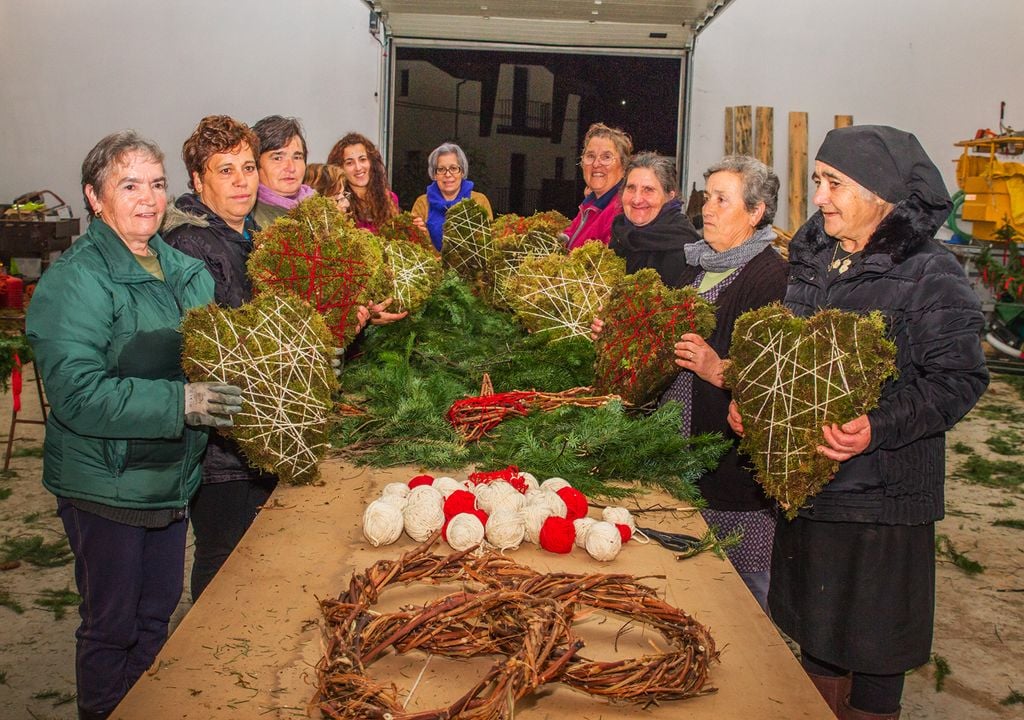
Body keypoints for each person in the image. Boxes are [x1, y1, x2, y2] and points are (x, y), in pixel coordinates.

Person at [728, 126, 988, 719]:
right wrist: (756, 399)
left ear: (883, 193)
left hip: (882, 501)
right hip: (813, 490)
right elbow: (788, 353)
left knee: (872, 650)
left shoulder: (929, 272)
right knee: (818, 636)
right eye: (817, 180)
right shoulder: (815, 257)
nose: (818, 197)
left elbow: (958, 379)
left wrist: (879, 424)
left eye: (835, 183)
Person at [25, 131, 241, 720]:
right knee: (111, 626)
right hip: (106, 485)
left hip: (169, 479)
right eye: (128, 185)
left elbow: (216, 352)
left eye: (156, 183)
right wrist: (181, 406)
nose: (147, 198)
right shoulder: (75, 281)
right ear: (95, 198)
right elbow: (77, 395)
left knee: (154, 619)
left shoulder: (181, 269)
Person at [161, 115, 278, 601]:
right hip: (219, 442)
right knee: (222, 554)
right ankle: (206, 655)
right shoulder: (191, 243)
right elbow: (220, 346)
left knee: (256, 553)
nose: (240, 181)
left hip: (256, 423)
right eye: (224, 169)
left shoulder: (253, 235)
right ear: (197, 180)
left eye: (247, 167)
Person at [608, 152, 699, 284]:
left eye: (648, 190)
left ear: (670, 196)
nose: (637, 199)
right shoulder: (620, 235)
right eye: (631, 188)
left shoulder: (682, 249)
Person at [411, 142, 493, 251]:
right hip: (431, 266)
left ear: (462, 172)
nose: (448, 174)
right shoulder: (422, 203)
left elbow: (488, 242)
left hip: (469, 267)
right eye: (441, 169)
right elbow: (413, 246)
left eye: (454, 168)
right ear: (434, 174)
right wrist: (417, 232)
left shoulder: (479, 201)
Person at [563, 122, 631, 250]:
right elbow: (569, 236)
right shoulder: (590, 204)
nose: (596, 164)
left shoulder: (621, 211)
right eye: (590, 156)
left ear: (623, 167)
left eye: (606, 157)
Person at [327, 132, 398, 233]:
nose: (358, 168)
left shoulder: (389, 199)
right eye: (349, 163)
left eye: (363, 159)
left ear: (372, 162)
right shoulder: (336, 203)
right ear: (339, 168)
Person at [251, 115, 314, 228]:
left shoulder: (320, 210)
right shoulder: (247, 221)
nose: (291, 167)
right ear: (256, 163)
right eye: (278, 158)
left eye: (297, 157)